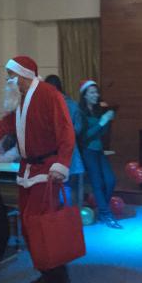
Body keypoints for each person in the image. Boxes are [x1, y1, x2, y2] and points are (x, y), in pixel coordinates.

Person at [0, 56, 77, 283]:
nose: (8, 80)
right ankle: (46, 271)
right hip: (28, 170)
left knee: (43, 226)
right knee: (29, 226)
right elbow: (8, 124)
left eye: (11, 75)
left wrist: (62, 163)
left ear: (24, 74)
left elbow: (66, 130)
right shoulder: (21, 98)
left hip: (47, 171)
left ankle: (59, 277)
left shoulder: (49, 95)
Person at [78, 80, 120, 228]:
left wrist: (107, 121)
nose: (96, 95)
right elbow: (84, 136)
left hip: (99, 150)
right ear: (84, 95)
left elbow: (101, 133)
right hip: (88, 151)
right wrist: (102, 122)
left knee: (110, 180)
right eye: (92, 92)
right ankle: (106, 214)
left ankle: (103, 211)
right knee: (97, 183)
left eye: (96, 92)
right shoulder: (80, 113)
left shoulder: (97, 110)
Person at [45, 75, 85, 205]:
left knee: (56, 191)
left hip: (55, 153)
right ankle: (72, 214)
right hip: (69, 152)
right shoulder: (72, 105)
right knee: (72, 190)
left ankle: (61, 214)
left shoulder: (47, 106)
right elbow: (78, 129)